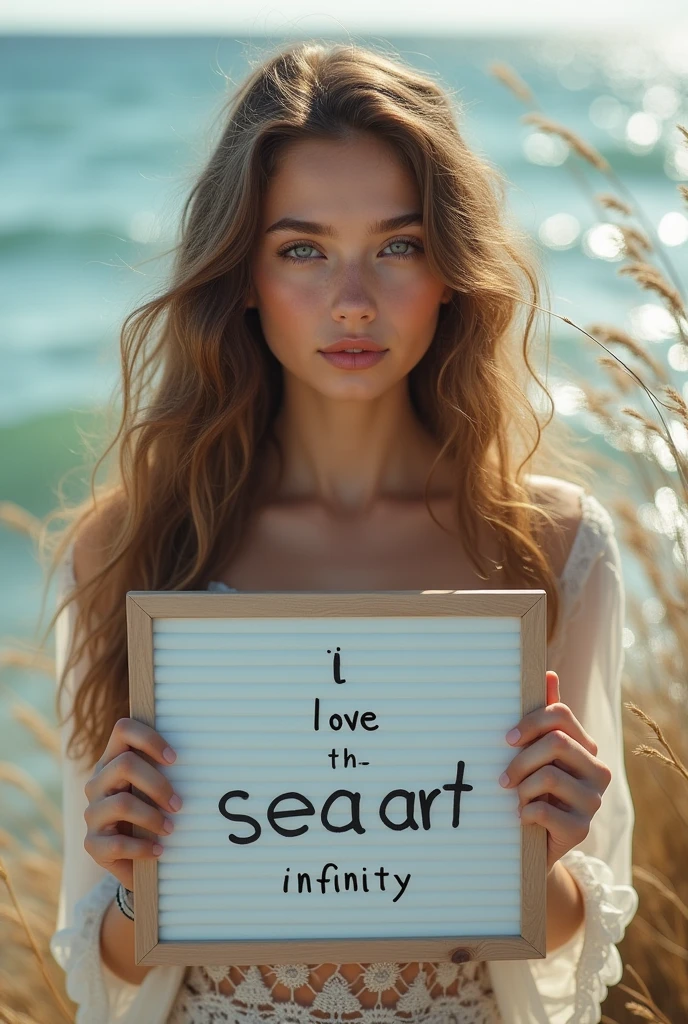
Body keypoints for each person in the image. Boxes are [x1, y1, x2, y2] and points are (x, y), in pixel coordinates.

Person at [45, 39, 638, 1024]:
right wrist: (126, 862)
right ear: (242, 271)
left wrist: (552, 852)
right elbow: (99, 959)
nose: (353, 298)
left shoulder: (553, 544)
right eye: (303, 249)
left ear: (449, 267)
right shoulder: (124, 549)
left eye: (397, 245)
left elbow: (569, 947)